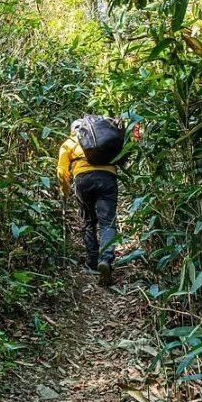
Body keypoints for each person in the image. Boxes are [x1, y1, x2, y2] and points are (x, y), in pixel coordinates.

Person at [57, 116, 134, 286]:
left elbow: (62, 171)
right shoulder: (105, 138)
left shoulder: (69, 143)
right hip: (107, 177)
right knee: (108, 223)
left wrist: (65, 190)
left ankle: (92, 262)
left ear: (73, 130)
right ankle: (105, 260)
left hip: (83, 180)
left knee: (88, 221)